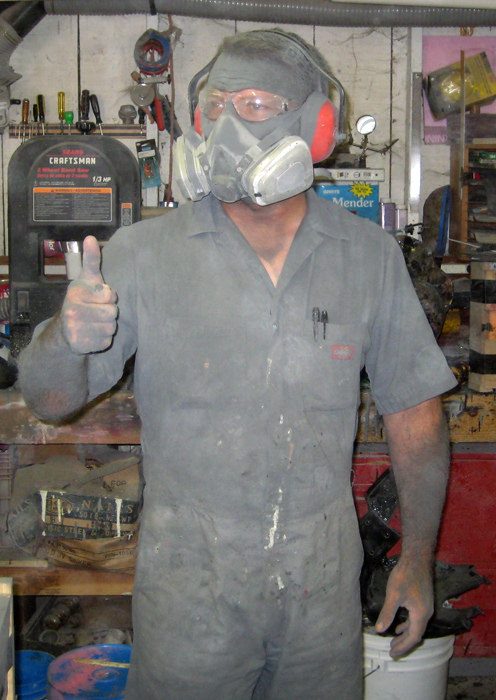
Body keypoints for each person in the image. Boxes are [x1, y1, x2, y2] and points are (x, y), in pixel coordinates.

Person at [18, 28, 457, 700]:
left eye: (252, 105)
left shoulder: (368, 257)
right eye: (215, 107)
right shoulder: (141, 254)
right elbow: (50, 403)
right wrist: (65, 339)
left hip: (319, 596)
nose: (226, 127)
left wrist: (417, 561)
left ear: (315, 127)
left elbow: (415, 416)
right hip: (188, 597)